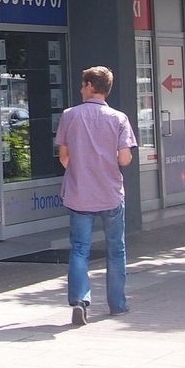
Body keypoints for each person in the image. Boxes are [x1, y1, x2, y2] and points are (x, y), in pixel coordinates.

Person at [56, 66, 137, 326]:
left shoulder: (70, 115)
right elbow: (125, 159)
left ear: (91, 85)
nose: (81, 89)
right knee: (116, 249)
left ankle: (79, 301)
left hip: (80, 192)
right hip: (111, 193)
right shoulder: (119, 118)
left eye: (83, 84)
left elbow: (64, 156)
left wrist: (82, 169)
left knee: (80, 249)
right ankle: (118, 304)